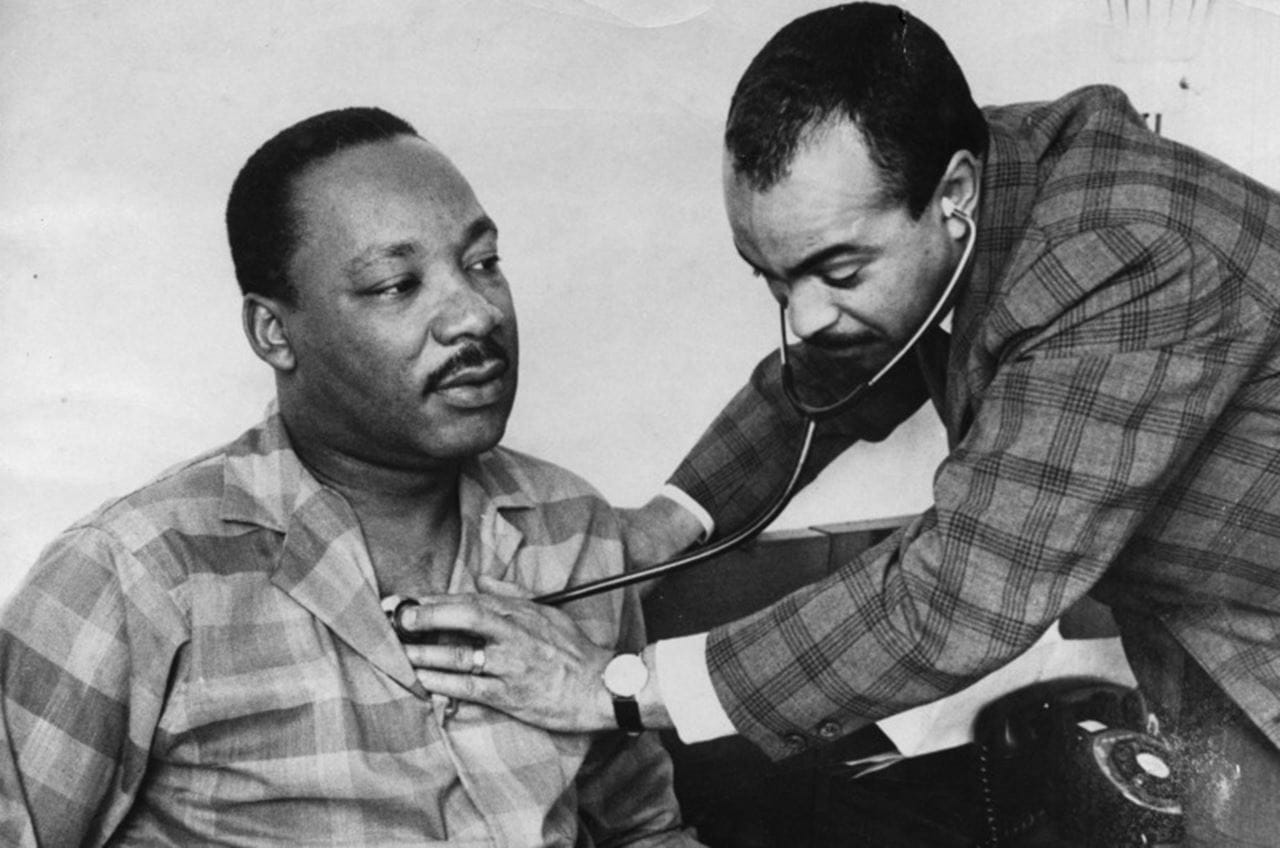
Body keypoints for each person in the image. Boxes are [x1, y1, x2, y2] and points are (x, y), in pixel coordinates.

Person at [403, 5, 1280, 845]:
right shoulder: (962, 193)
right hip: (1205, 631)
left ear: (955, 196)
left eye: (836, 271)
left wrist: (609, 686)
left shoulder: (1123, 261)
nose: (808, 317)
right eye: (776, 281)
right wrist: (658, 531)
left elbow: (955, 597)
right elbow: (822, 384)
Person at [0, 106, 699, 848]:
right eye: (397, 284)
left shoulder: (570, 521)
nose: (473, 314)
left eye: (484, 262)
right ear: (275, 333)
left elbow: (642, 831)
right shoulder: (131, 575)